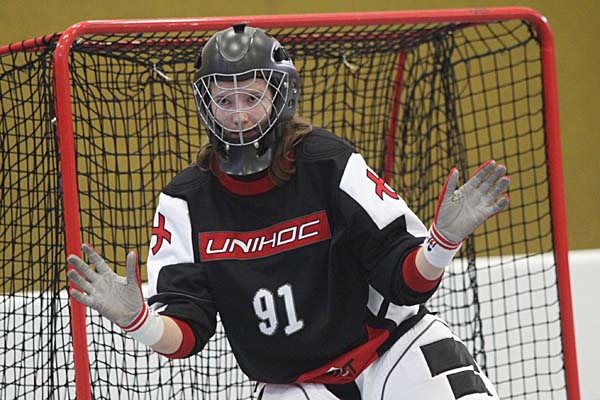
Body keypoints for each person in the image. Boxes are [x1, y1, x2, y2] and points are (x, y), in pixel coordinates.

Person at [67, 23, 509, 400]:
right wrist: (139, 322)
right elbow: (186, 333)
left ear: (281, 96)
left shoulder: (329, 163)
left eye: (251, 97)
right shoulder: (184, 202)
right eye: (225, 101)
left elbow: (405, 282)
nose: (239, 115)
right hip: (295, 386)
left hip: (394, 348)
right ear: (206, 106)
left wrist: (443, 242)